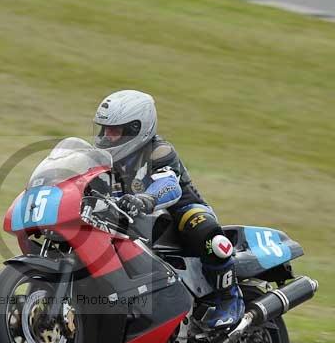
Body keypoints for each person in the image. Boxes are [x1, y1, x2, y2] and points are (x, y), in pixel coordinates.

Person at [92, 89, 244, 330]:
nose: (107, 136)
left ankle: (229, 299)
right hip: (131, 220)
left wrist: (145, 199)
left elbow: (169, 185)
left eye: (115, 130)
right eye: (104, 129)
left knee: (204, 231)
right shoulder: (103, 158)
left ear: (136, 129)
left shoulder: (158, 151)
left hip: (177, 212)